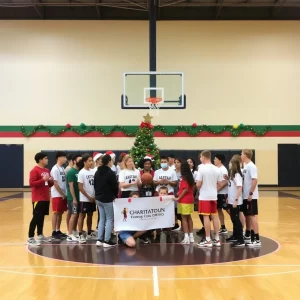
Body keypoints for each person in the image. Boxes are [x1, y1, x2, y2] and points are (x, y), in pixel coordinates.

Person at [196, 150, 223, 248]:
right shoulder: (217, 169)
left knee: (206, 216)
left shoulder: (201, 169)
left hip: (204, 196)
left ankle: (208, 239)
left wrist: (201, 188)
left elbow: (198, 184)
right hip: (213, 195)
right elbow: (220, 183)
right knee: (215, 216)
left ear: (203, 157)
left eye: (200, 157)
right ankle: (217, 238)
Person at [28, 152, 53, 246]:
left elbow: (49, 184)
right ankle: (30, 237)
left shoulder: (47, 170)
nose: (47, 160)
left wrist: (51, 181)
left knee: (41, 217)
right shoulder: (34, 170)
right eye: (45, 158)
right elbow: (32, 183)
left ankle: (40, 235)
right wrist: (43, 180)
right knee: (36, 217)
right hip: (38, 198)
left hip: (46, 197)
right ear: (40, 160)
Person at [94, 154, 119, 248]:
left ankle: (99, 239)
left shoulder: (97, 172)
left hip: (99, 198)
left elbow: (95, 185)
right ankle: (107, 240)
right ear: (109, 162)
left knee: (102, 219)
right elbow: (114, 186)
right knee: (109, 219)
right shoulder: (110, 173)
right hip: (107, 199)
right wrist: (115, 196)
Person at [241, 149, 261, 247]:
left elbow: (254, 180)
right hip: (245, 195)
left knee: (252, 216)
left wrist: (250, 193)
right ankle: (248, 234)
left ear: (246, 155)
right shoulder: (245, 166)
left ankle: (257, 239)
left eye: (241, 154)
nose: (241, 155)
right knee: (247, 215)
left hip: (250, 196)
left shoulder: (251, 166)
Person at [173, 161, 195, 244]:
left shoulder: (184, 177)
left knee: (184, 218)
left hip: (184, 200)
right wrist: (177, 194)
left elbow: (185, 189)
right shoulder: (190, 176)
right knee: (189, 217)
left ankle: (186, 237)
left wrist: (179, 197)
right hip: (190, 199)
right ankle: (191, 236)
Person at [77, 153, 96, 243]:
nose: (91, 162)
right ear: (84, 162)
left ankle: (89, 233)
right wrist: (88, 197)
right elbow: (80, 187)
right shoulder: (81, 172)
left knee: (90, 215)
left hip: (93, 198)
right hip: (85, 198)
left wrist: (94, 196)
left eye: (92, 160)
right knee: (82, 215)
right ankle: (80, 234)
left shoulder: (93, 171)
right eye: (89, 161)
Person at [226, 156, 245, 247]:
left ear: (233, 164)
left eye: (230, 163)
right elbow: (231, 187)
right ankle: (235, 235)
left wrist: (236, 200)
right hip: (231, 200)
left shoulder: (237, 174)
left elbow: (239, 187)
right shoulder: (232, 174)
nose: (228, 164)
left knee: (236, 220)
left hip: (235, 201)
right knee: (233, 219)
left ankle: (240, 239)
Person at [50, 151, 68, 240]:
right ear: (58, 158)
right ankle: (53, 231)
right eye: (63, 157)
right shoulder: (55, 169)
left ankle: (58, 230)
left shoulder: (62, 168)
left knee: (60, 212)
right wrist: (62, 194)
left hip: (63, 194)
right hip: (57, 194)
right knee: (56, 212)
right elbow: (55, 183)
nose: (65, 159)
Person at [66, 154, 82, 242]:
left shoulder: (79, 171)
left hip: (79, 197)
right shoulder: (71, 172)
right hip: (72, 198)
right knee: (74, 214)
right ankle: (70, 234)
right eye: (79, 160)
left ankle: (74, 231)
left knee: (77, 215)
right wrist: (74, 198)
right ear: (74, 161)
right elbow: (71, 186)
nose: (81, 161)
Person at [214, 154, 229, 235]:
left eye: (215, 159)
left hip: (223, 193)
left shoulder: (223, 170)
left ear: (220, 160)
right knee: (219, 210)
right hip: (218, 193)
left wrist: (217, 190)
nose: (214, 160)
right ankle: (223, 227)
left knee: (227, 209)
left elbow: (225, 182)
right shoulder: (216, 169)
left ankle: (238, 225)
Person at [172, 158, 182, 232]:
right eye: (175, 162)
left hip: (181, 192)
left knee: (180, 210)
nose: (176, 163)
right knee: (174, 209)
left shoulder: (183, 173)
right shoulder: (172, 172)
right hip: (174, 191)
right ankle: (176, 224)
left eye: (178, 162)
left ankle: (183, 224)